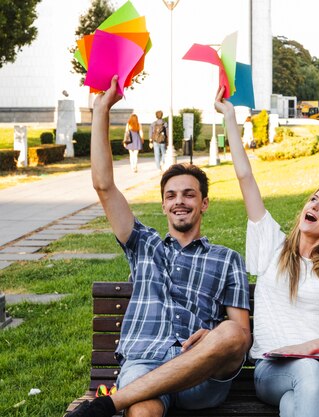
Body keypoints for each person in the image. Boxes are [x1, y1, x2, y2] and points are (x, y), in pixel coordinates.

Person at [66, 75, 251, 417]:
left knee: (231, 333)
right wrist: (101, 109)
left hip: (200, 372)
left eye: (189, 194)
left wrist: (210, 337)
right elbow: (104, 185)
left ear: (204, 203)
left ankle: (107, 405)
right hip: (143, 362)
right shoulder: (142, 243)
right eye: (171, 196)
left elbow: (242, 338)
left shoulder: (227, 259)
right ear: (164, 205)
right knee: (143, 410)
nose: (179, 201)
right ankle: (124, 402)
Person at [214, 86, 319, 417]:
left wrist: (307, 349)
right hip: (273, 369)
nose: (314, 206)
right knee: (302, 375)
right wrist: (229, 116)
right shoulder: (273, 244)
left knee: (295, 400)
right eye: (314, 199)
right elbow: (245, 178)